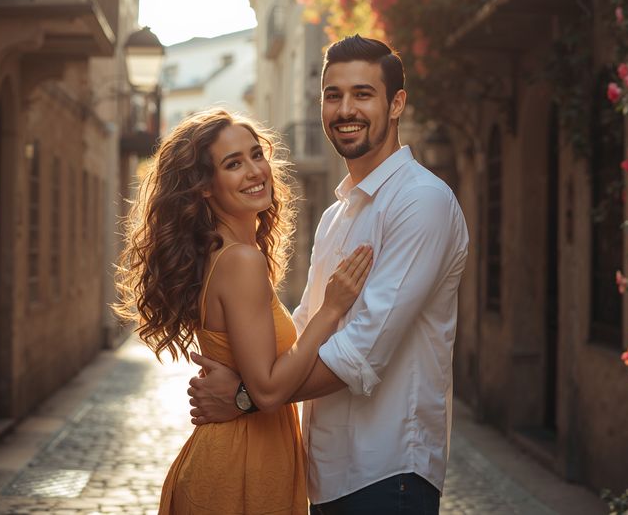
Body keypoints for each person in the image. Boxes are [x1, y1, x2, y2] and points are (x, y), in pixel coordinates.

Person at [188, 36, 469, 514]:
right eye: (333, 95)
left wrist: (246, 397)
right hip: (324, 474)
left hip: (387, 474)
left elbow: (361, 351)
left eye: (362, 94)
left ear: (396, 103)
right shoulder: (337, 216)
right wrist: (256, 372)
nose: (345, 109)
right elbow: (307, 323)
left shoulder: (420, 202)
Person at [115, 109, 374, 514]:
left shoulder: (225, 254)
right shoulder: (239, 262)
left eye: (256, 155)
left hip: (243, 459)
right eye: (233, 164)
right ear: (204, 187)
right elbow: (268, 390)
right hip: (236, 470)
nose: (255, 171)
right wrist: (330, 311)